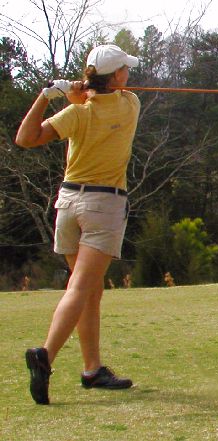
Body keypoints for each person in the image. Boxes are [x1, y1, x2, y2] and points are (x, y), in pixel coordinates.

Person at [15, 44, 141, 405]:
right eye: (124, 71)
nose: (128, 75)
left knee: (91, 291)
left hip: (68, 204)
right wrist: (78, 94)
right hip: (103, 205)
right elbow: (109, 99)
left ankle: (92, 369)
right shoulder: (129, 105)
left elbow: (25, 138)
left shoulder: (75, 112)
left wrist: (48, 96)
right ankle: (45, 356)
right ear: (116, 76)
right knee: (80, 289)